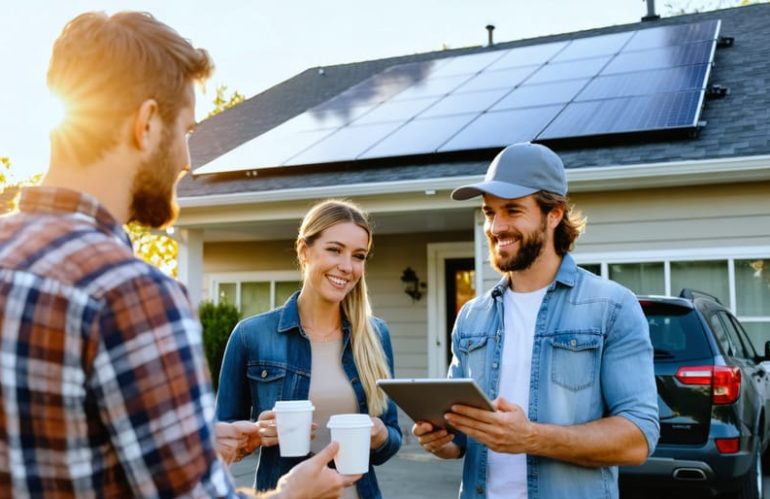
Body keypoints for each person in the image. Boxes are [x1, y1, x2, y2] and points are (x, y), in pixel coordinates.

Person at [0, 11, 356, 498]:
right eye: (186, 131)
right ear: (147, 123)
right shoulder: (132, 295)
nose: (188, 160)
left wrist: (194, 442)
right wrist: (290, 494)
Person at [412, 142, 660, 499]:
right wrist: (441, 442)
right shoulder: (472, 316)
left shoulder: (611, 307)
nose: (496, 227)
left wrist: (531, 438)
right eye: (489, 212)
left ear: (554, 214)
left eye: (513, 210)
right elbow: (461, 438)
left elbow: (637, 438)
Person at [216, 199, 402, 499]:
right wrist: (256, 434)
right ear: (304, 250)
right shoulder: (252, 335)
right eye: (335, 250)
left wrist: (381, 436)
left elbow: (391, 437)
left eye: (358, 256)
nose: (347, 267)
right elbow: (220, 438)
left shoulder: (375, 335)